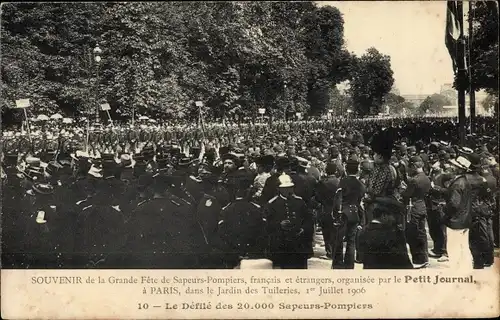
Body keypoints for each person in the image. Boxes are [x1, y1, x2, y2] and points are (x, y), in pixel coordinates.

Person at [265, 173, 313, 269]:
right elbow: (266, 224)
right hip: (281, 244)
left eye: (290, 188)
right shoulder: (272, 204)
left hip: (298, 244)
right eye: (285, 188)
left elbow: (309, 219)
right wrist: (279, 224)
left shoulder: (299, 202)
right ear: (279, 189)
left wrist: (303, 229)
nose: (288, 190)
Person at [358, 197, 413, 269]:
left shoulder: (362, 232)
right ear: (384, 216)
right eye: (393, 216)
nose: (394, 219)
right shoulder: (393, 235)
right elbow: (404, 263)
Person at [332, 155, 366, 269]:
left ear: (346, 169)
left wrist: (335, 213)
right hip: (355, 213)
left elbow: (338, 199)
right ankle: (349, 264)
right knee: (351, 240)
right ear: (357, 170)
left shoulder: (342, 182)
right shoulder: (361, 184)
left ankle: (337, 263)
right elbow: (361, 201)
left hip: (343, 213)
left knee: (339, 239)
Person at [401, 156, 431, 268]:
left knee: (414, 235)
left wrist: (403, 189)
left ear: (414, 166)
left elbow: (406, 194)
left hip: (413, 208)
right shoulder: (426, 178)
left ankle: (418, 260)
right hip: (422, 206)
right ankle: (425, 257)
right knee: (422, 233)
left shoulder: (415, 180)